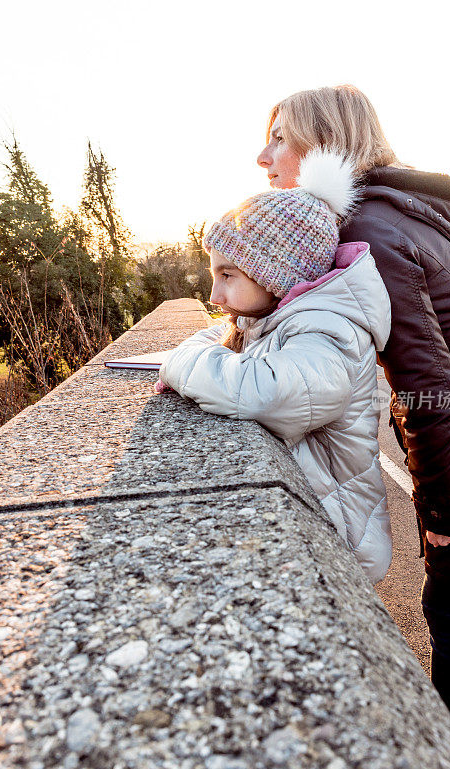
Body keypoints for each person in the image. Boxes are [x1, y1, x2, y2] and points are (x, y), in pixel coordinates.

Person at [256, 85, 450, 758]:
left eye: (280, 138)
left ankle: (449, 761)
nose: (263, 154)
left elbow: (430, 390)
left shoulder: (367, 230)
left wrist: (444, 514)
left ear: (323, 146)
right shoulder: (394, 212)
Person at [156, 147, 393, 584]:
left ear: (277, 274)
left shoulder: (326, 330)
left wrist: (178, 362)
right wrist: (196, 353)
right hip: (320, 518)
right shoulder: (276, 316)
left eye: (228, 276)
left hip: (339, 538)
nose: (215, 295)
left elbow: (263, 392)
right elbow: (216, 334)